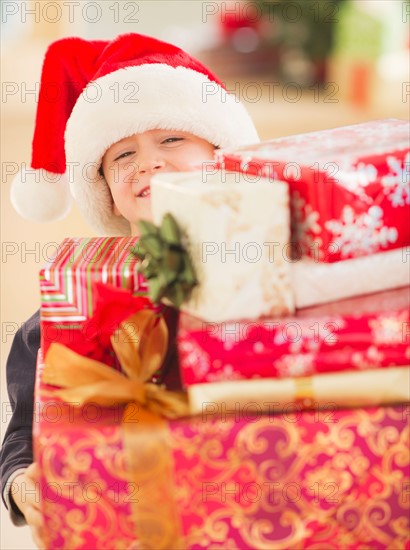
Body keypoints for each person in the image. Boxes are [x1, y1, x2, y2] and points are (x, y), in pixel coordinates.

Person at [1, 33, 259, 548]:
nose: (147, 162)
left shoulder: (276, 276)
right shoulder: (67, 311)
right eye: (122, 155)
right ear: (109, 197)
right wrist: (20, 483)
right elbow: (25, 434)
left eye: (170, 140)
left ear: (223, 154)